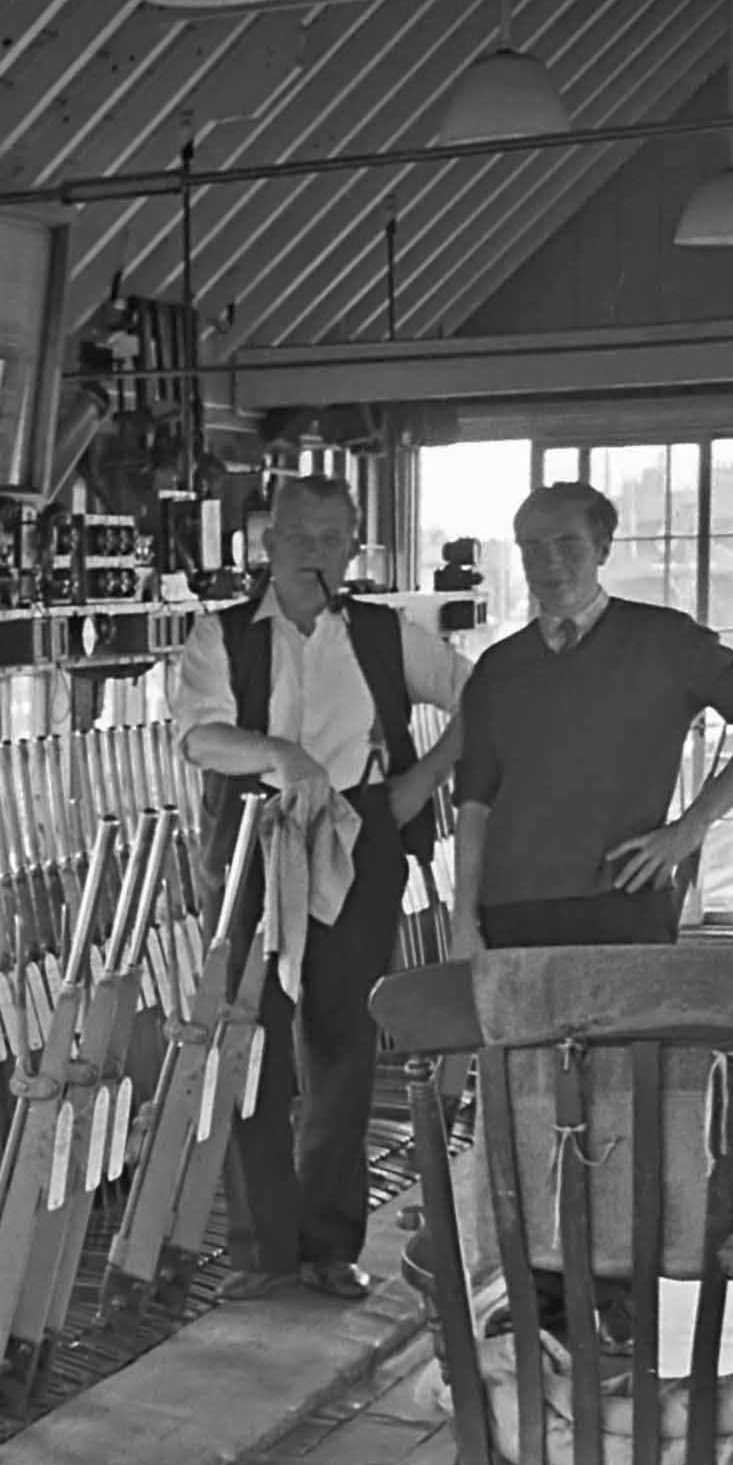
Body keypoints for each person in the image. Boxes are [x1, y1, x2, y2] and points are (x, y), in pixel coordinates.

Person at [170, 475, 467, 1300]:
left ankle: (329, 1247)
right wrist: (280, 757)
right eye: (299, 535)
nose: (314, 552)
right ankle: (264, 1254)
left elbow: (484, 698)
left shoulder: (381, 635)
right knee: (250, 1039)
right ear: (267, 543)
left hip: (358, 835)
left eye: (332, 538)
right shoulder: (220, 635)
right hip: (252, 843)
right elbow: (199, 740)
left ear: (352, 547)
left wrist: (418, 787)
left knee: (341, 1041)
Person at [450, 481, 733, 952]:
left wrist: (692, 826)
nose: (549, 562)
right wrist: (463, 919)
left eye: (567, 544)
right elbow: (475, 803)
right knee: (520, 1031)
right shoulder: (498, 667)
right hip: (511, 909)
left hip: (623, 901)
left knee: (629, 1029)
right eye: (531, 547)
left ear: (602, 549)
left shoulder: (666, 641)